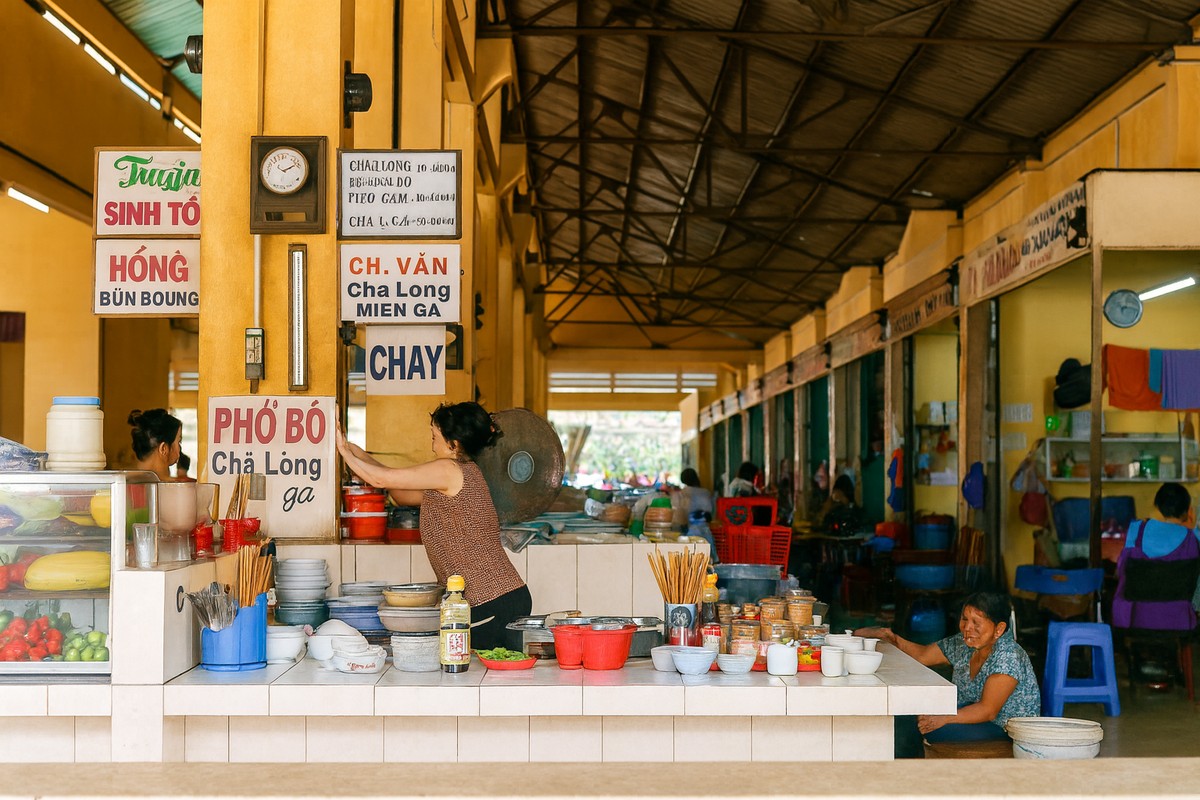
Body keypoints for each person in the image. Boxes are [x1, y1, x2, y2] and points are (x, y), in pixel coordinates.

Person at [335, 401, 531, 649]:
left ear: (454, 444)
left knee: (472, 669)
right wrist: (355, 451)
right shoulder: (458, 474)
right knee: (481, 670)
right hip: (500, 598)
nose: (431, 445)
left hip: (490, 599)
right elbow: (399, 492)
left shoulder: (449, 469)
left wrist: (344, 451)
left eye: (434, 437)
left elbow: (381, 479)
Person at [857, 592, 1040, 750]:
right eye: (964, 619)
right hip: (971, 713)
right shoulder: (964, 644)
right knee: (911, 712)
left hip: (1005, 729)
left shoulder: (1008, 657)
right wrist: (891, 637)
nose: (967, 628)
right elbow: (922, 655)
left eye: (976, 623)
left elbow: (988, 711)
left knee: (923, 727)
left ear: (999, 629)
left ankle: (908, 772)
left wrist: (944, 718)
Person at [1112, 482, 1200, 633]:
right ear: (1187, 510)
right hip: (1180, 622)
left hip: (1135, 620)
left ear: (1157, 506)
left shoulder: (1137, 530)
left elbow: (1121, 571)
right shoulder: (1193, 538)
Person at [128, 409, 182, 481]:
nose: (180, 447)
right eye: (179, 442)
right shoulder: (176, 487)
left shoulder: (121, 482)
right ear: (163, 448)